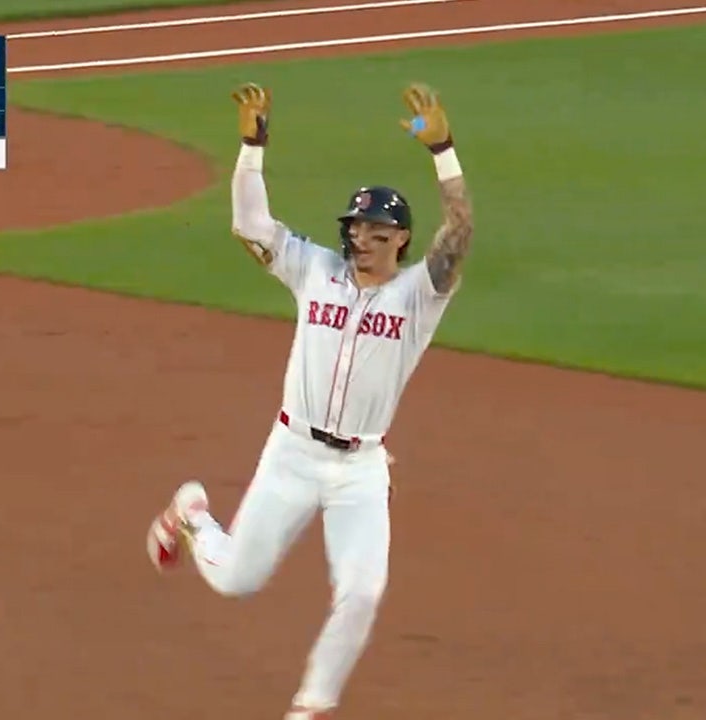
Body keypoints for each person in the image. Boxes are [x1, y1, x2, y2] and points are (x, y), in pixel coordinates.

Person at [145, 80, 474, 720]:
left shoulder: (418, 298)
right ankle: (192, 517)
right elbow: (250, 226)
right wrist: (252, 145)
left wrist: (445, 153)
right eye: (354, 227)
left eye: (375, 230)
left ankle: (311, 706)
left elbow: (460, 233)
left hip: (361, 469)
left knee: (363, 591)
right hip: (292, 451)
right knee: (239, 579)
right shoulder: (314, 269)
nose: (359, 238)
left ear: (401, 238)